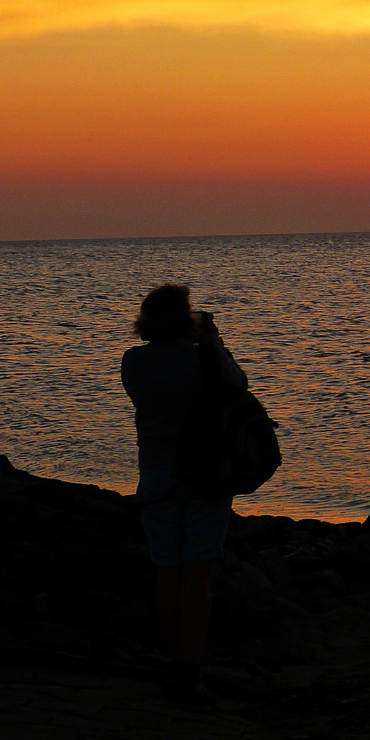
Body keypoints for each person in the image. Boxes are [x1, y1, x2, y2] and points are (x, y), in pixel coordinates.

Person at [121, 284, 248, 705]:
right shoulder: (202, 359)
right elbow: (238, 384)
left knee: (167, 577)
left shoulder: (133, 361)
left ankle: (176, 663)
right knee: (197, 580)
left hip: (155, 475)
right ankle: (189, 672)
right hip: (203, 475)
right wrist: (213, 341)